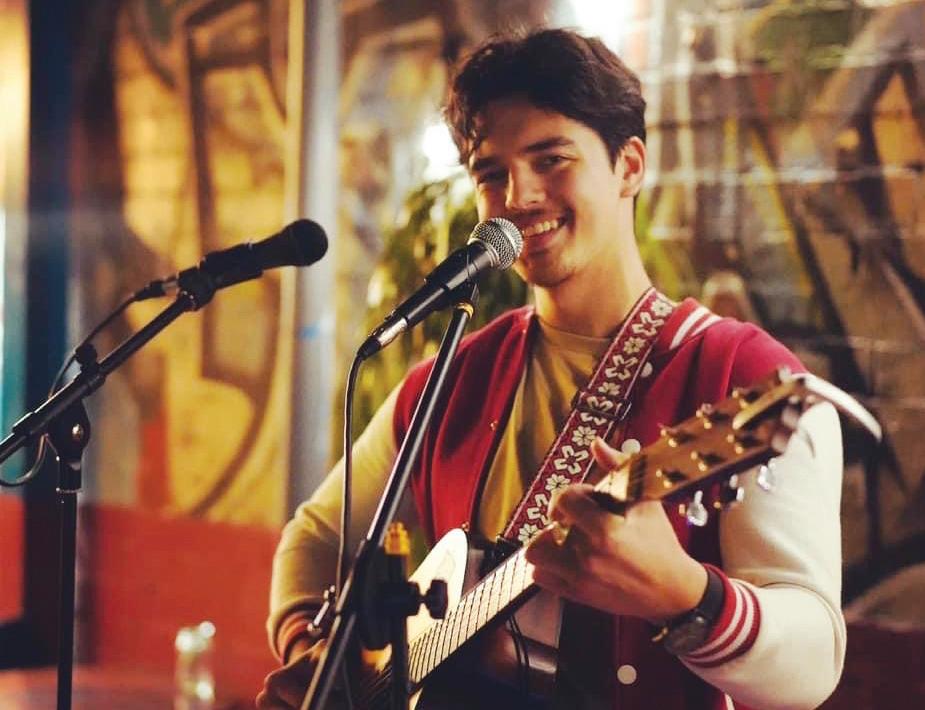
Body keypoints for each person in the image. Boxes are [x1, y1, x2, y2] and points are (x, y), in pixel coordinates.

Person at [258, 28, 845, 710]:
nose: (518, 196)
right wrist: (316, 659)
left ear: (629, 166)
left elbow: (812, 669)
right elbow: (317, 533)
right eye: (490, 174)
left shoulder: (743, 378)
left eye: (551, 159)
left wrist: (687, 594)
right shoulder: (451, 378)